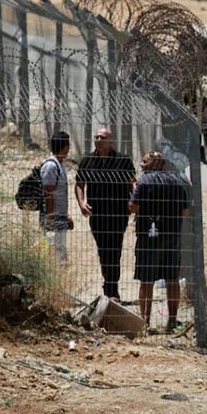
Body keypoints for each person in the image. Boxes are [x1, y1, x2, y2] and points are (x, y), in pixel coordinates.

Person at [129, 149, 191, 331]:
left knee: (146, 280)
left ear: (154, 164)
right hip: (172, 236)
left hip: (148, 237)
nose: (141, 163)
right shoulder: (177, 181)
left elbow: (132, 207)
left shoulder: (144, 181)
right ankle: (172, 320)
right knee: (172, 279)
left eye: (145, 161)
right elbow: (185, 211)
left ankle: (145, 322)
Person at [74, 128, 135, 301]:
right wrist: (81, 202)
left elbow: (133, 183)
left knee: (115, 250)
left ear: (111, 141)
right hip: (97, 215)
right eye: (97, 137)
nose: (99, 140)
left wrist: (133, 201)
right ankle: (109, 284)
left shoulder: (122, 161)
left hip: (118, 215)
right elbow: (79, 183)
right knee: (103, 250)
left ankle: (111, 288)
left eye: (103, 137)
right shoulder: (88, 161)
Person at [40, 131, 72, 261]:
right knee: (54, 251)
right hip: (53, 217)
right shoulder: (51, 166)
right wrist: (50, 218)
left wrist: (66, 216)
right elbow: (48, 194)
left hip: (59, 215)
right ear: (65, 147)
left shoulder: (60, 164)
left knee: (60, 249)